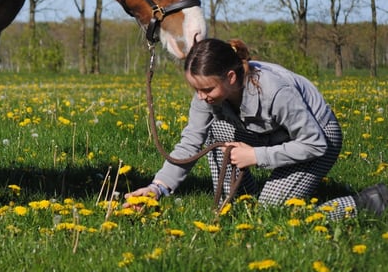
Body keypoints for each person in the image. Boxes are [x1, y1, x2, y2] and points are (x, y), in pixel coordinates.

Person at [125, 37, 387, 220]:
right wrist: (156, 188)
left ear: (230, 77)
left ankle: (368, 202)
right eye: (196, 89)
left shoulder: (275, 89)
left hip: (318, 138)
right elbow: (190, 144)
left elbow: (313, 143)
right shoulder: (208, 96)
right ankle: (239, 201)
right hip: (268, 137)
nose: (201, 96)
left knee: (274, 213)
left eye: (206, 89)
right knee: (218, 132)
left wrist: (256, 157)